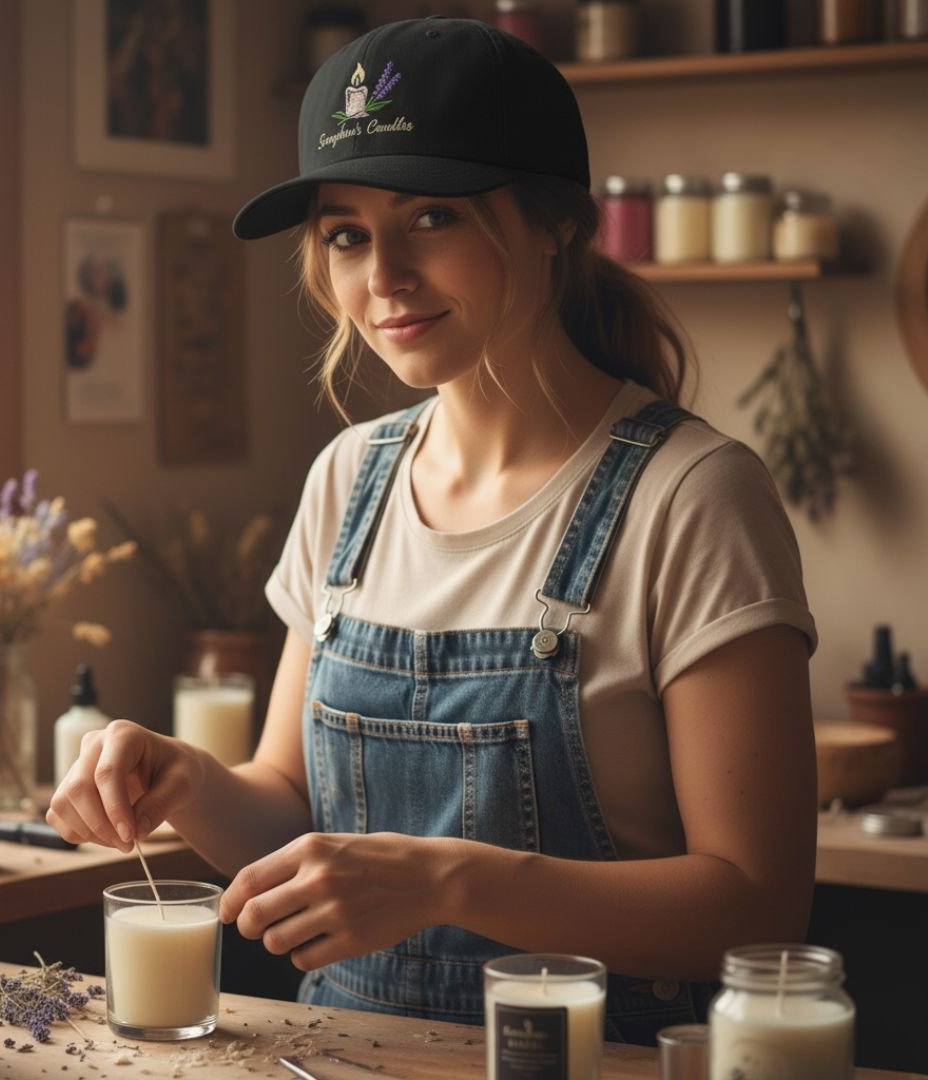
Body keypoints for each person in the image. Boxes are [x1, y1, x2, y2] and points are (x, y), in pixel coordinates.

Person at [48, 17, 818, 1042]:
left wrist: (449, 880)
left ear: (554, 223)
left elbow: (758, 912)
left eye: (433, 217)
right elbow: (289, 810)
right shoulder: (347, 479)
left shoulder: (694, 496)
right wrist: (185, 779)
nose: (384, 276)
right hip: (340, 1058)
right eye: (347, 234)